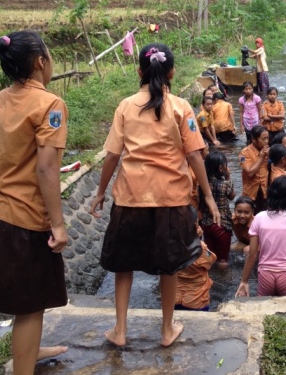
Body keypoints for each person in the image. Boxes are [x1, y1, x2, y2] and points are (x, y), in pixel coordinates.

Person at [89, 43, 221, 348]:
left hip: (129, 198)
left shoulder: (125, 106)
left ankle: (120, 331)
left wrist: (99, 193)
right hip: (172, 199)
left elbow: (111, 155)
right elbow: (195, 156)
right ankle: (166, 329)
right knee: (169, 265)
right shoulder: (181, 107)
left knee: (123, 265)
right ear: (172, 72)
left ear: (139, 72)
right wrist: (209, 197)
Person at [0, 31, 69, 375]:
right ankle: (23, 368)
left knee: (24, 295)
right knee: (31, 304)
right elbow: (46, 168)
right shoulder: (50, 105)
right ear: (41, 62)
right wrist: (58, 223)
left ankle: (31, 350)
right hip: (24, 219)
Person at [199, 151, 234, 270]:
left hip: (206, 224)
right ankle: (223, 283)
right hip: (221, 224)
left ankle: (211, 277)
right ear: (221, 168)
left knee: (211, 256)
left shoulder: (203, 185)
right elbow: (232, 196)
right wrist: (228, 177)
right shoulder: (225, 184)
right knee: (223, 259)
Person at [175, 223, 216, 312]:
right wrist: (199, 240)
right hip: (196, 299)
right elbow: (211, 259)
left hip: (174, 297)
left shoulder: (171, 245)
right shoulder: (201, 248)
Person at [239, 125, 269, 212]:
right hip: (251, 193)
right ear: (253, 139)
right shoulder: (244, 153)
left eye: (267, 138)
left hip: (266, 192)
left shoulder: (269, 150)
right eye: (263, 139)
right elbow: (250, 173)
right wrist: (262, 157)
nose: (266, 141)